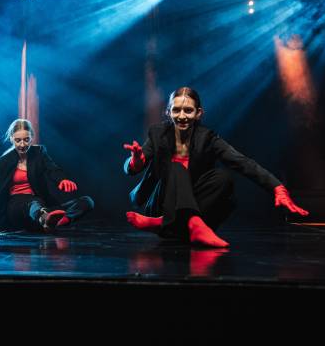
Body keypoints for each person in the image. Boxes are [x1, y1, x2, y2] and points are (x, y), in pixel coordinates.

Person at [123, 86, 308, 248]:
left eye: (188, 110)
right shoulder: (157, 133)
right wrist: (135, 162)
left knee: (223, 178)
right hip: (161, 204)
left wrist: (277, 187)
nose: (182, 116)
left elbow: (242, 162)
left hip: (195, 202)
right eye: (176, 110)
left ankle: (168, 224)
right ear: (168, 112)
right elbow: (133, 166)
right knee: (177, 167)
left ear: (198, 113)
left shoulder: (207, 138)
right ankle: (189, 223)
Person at [0, 119, 94, 232]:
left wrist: (62, 179)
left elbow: (52, 169)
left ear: (31, 137)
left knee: (87, 201)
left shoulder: (39, 152)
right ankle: (44, 219)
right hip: (15, 208)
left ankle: (58, 222)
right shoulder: (4, 161)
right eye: (18, 140)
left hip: (40, 204)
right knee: (32, 202)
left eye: (26, 140)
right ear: (11, 139)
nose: (22, 145)